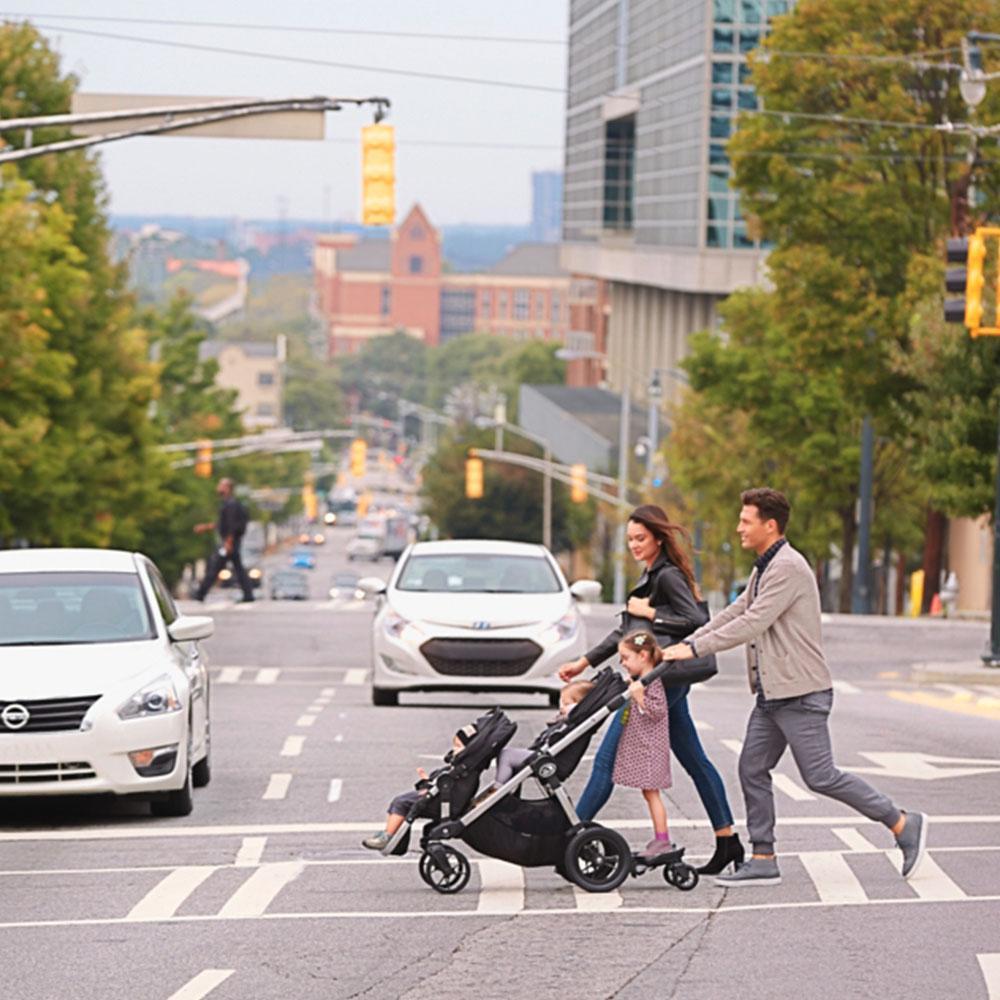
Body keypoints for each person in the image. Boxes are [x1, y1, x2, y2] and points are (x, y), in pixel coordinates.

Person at [663, 487, 927, 887]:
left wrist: (695, 649)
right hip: (774, 695)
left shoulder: (787, 567)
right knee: (752, 768)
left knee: (820, 776)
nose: (738, 528)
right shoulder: (763, 567)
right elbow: (736, 612)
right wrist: (687, 642)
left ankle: (902, 823)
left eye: (745, 521)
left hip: (801, 694)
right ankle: (763, 856)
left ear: (770, 525)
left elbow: (753, 623)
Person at [559, 504, 743, 875]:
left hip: (658, 681)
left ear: (659, 538)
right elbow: (629, 634)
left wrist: (651, 612)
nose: (634, 545)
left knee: (607, 760)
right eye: (629, 540)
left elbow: (696, 620)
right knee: (695, 760)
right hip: (665, 679)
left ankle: (567, 837)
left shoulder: (667, 576)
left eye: (641, 538)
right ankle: (728, 840)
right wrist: (584, 662)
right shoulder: (651, 576)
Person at [362, 724, 477, 850]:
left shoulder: (463, 768)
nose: (454, 749)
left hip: (445, 801)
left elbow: (449, 784)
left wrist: (432, 785)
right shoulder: (461, 766)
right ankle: (388, 833)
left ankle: (388, 836)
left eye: (458, 746)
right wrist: (428, 781)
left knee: (401, 803)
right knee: (399, 801)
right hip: (443, 796)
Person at [614, 631, 674, 858]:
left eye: (626, 658)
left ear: (643, 655)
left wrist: (639, 695)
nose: (623, 663)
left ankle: (662, 839)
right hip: (646, 746)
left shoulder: (652, 682)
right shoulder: (642, 681)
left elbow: (658, 711)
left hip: (650, 749)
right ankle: (660, 838)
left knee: (652, 794)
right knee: (648, 793)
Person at [481, 680, 595, 793]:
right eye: (561, 703)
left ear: (580, 706)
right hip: (545, 756)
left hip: (548, 761)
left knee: (506, 754)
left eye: (567, 704)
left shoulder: (574, 724)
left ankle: (499, 787)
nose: (561, 707)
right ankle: (504, 787)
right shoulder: (569, 723)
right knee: (507, 754)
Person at [194, 477, 254, 603]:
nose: (218, 487)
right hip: (230, 542)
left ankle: (200, 594)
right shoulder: (229, 503)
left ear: (227, 488)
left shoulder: (231, 504)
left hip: (229, 542)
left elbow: (231, 525)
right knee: (236, 568)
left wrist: (228, 542)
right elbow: (223, 524)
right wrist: (205, 527)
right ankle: (248, 594)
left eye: (220, 485)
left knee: (215, 567)